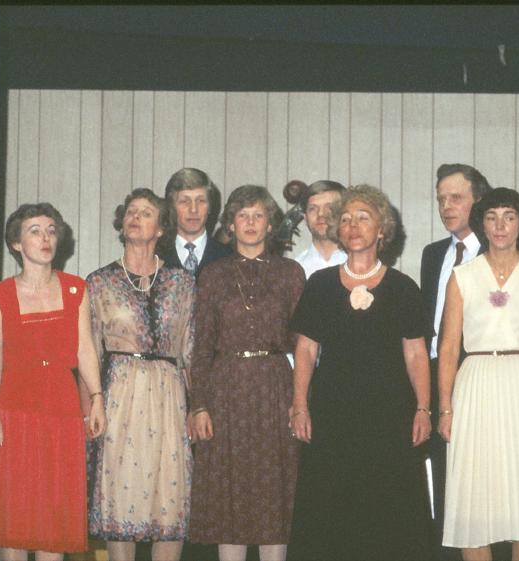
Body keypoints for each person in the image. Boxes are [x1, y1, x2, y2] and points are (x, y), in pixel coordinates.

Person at [287, 184, 432, 561]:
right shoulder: (320, 285)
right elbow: (305, 349)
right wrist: (300, 405)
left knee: (388, 511)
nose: (353, 225)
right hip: (332, 416)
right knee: (330, 510)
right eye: (346, 219)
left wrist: (423, 408)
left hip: (389, 417)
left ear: (382, 229)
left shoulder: (402, 288)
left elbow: (416, 353)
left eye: (363, 218)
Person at [438, 187, 519, 561]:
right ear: (481, 224)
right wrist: (444, 407)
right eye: (491, 217)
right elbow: (449, 347)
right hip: (475, 385)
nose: (500, 225)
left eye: (509, 217)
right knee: (474, 495)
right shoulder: (462, 276)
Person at [188, 185, 305, 561]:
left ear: (271, 224)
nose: (251, 223)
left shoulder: (290, 273)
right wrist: (199, 405)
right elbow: (201, 345)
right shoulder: (213, 275)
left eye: (258, 215)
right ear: (230, 224)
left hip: (275, 388)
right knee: (229, 493)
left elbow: (303, 345)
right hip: (226, 391)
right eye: (242, 216)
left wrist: (301, 402)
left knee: (275, 490)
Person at [0, 203, 106, 561]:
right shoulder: (1, 293)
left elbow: (85, 349)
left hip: (62, 410)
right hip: (14, 411)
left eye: (51, 230)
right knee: (15, 512)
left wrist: (97, 398)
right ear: (16, 244)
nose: (45, 238)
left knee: (54, 516)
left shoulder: (76, 289)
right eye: (35, 231)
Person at [87, 188, 194, 561]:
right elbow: (88, 351)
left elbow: (190, 351)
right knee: (122, 495)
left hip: (169, 397)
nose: (135, 217)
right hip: (120, 397)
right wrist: (90, 406)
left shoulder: (183, 282)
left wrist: (199, 407)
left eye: (146, 212)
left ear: (161, 228)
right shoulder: (99, 282)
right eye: (131, 212)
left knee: (170, 496)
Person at [420, 163, 491, 559]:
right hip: (435, 375)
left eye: (456, 198)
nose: (446, 206)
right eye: (441, 199)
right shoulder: (433, 254)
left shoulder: (498, 252)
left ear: (478, 201)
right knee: (443, 472)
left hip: (478, 375)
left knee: (480, 478)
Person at [158, 167, 231, 276]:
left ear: (210, 207)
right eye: (184, 201)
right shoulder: (155, 256)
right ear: (171, 207)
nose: (193, 209)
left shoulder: (228, 257)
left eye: (201, 201)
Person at [293, 180, 347, 279]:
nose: (321, 214)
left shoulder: (359, 263)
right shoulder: (295, 269)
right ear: (305, 218)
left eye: (330, 207)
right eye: (313, 208)